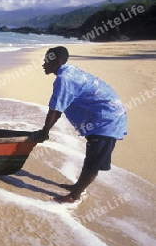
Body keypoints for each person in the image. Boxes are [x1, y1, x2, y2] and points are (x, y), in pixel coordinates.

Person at [32, 46, 127, 203]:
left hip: (107, 119)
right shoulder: (68, 71)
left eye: (46, 61)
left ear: (58, 62)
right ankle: (77, 187)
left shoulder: (65, 79)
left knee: (94, 161)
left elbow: (55, 110)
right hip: (99, 116)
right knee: (91, 153)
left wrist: (44, 131)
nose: (43, 64)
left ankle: (74, 196)